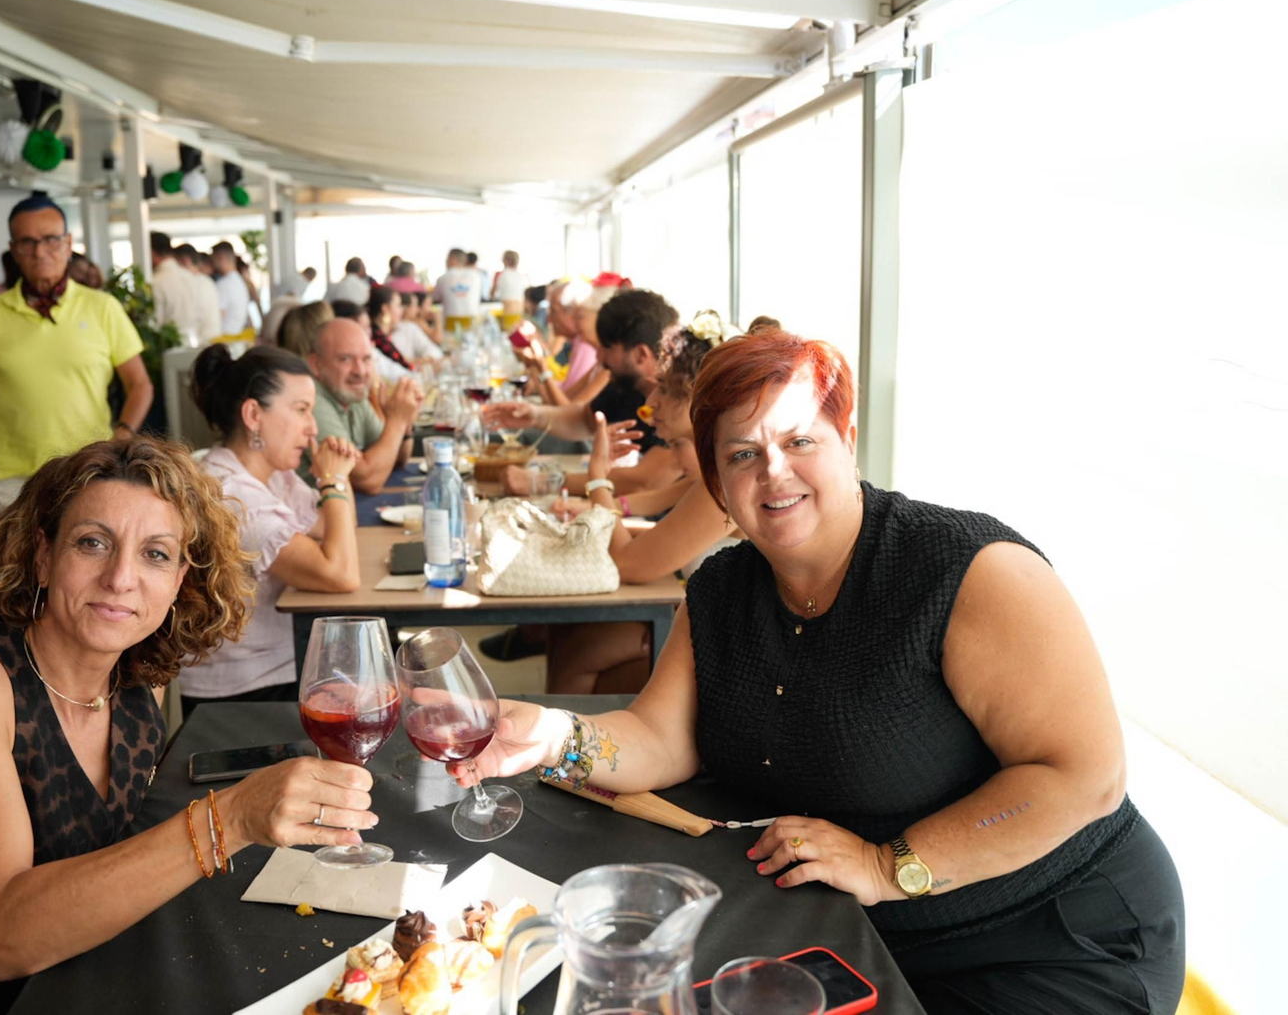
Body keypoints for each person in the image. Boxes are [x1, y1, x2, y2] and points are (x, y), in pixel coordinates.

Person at [456, 330, 1185, 1015]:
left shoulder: (965, 571)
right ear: (714, 481)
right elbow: (659, 737)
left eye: (799, 440)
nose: (774, 471)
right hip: (857, 942)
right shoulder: (720, 589)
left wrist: (886, 865)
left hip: (1055, 938)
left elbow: (1084, 776)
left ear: (849, 442)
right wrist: (553, 735)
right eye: (741, 454)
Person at [0, 437, 379, 1013]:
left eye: (156, 554)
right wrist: (233, 817)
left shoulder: (138, 680)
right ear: (42, 555)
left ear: (179, 583)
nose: (121, 578)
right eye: (93, 543)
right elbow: (2, 936)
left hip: (90, 982)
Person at [532, 311, 745, 693]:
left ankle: (569, 748)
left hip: (733, 651)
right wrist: (596, 509)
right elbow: (652, 519)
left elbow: (630, 563)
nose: (650, 400)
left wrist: (599, 477)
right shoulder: (715, 470)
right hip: (700, 619)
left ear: (699, 394)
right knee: (570, 638)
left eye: (664, 388)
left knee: (578, 652)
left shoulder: (724, 483)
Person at [0, 195, 154, 520]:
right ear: (13, 251)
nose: (40, 252)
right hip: (12, 481)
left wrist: (120, 438)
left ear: (68, 244)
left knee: (87, 569)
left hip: (88, 474)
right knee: (13, 571)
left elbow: (139, 384)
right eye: (27, 243)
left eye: (51, 240)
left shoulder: (102, 308)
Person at [179, 346, 362, 708]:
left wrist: (337, 475)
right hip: (244, 695)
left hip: (284, 666)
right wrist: (333, 481)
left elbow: (337, 528)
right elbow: (340, 573)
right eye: (301, 410)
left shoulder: (271, 475)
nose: (313, 427)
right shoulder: (230, 495)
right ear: (253, 415)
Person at [486, 287, 682, 497]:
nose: (598, 357)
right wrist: (534, 415)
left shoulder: (680, 397)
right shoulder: (629, 386)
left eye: (606, 347)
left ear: (641, 355)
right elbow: (584, 419)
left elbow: (646, 481)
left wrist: (543, 482)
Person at [300, 318, 423, 493]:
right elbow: (369, 480)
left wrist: (406, 422)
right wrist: (396, 420)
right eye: (345, 359)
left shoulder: (351, 394)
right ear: (316, 364)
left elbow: (393, 459)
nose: (360, 371)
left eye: (366, 359)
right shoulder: (311, 402)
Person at [149, 232, 220, 346]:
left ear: (151, 253)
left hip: (169, 350)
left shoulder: (156, 282)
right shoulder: (192, 278)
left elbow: (155, 324)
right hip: (197, 344)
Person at [432, 248, 481, 332]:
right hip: (473, 323)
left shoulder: (442, 279)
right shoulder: (476, 276)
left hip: (450, 325)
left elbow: (435, 298)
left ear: (453, 259)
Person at [211, 246, 253, 336]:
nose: (212, 263)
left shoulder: (224, 284)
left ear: (220, 258)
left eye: (213, 259)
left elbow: (218, 316)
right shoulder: (239, 281)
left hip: (224, 339)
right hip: (237, 336)